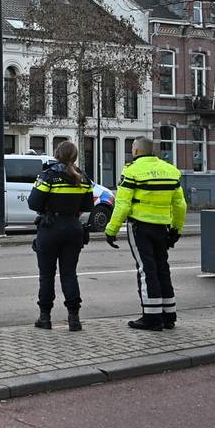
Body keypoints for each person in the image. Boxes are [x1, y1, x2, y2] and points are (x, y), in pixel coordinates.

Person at [104, 136, 186, 331]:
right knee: (162, 268)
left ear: (135, 151)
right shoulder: (170, 171)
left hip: (140, 226)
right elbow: (180, 205)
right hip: (163, 227)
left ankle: (151, 317)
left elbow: (122, 205)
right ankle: (168, 315)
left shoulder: (131, 172)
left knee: (146, 269)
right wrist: (176, 229)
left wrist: (111, 229)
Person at [27, 141, 93, 332]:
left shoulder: (49, 176)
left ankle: (45, 317)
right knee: (69, 274)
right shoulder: (83, 178)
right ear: (75, 156)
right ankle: (74, 319)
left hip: (50, 228)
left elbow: (33, 202)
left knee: (46, 276)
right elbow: (88, 206)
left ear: (56, 155)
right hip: (73, 228)